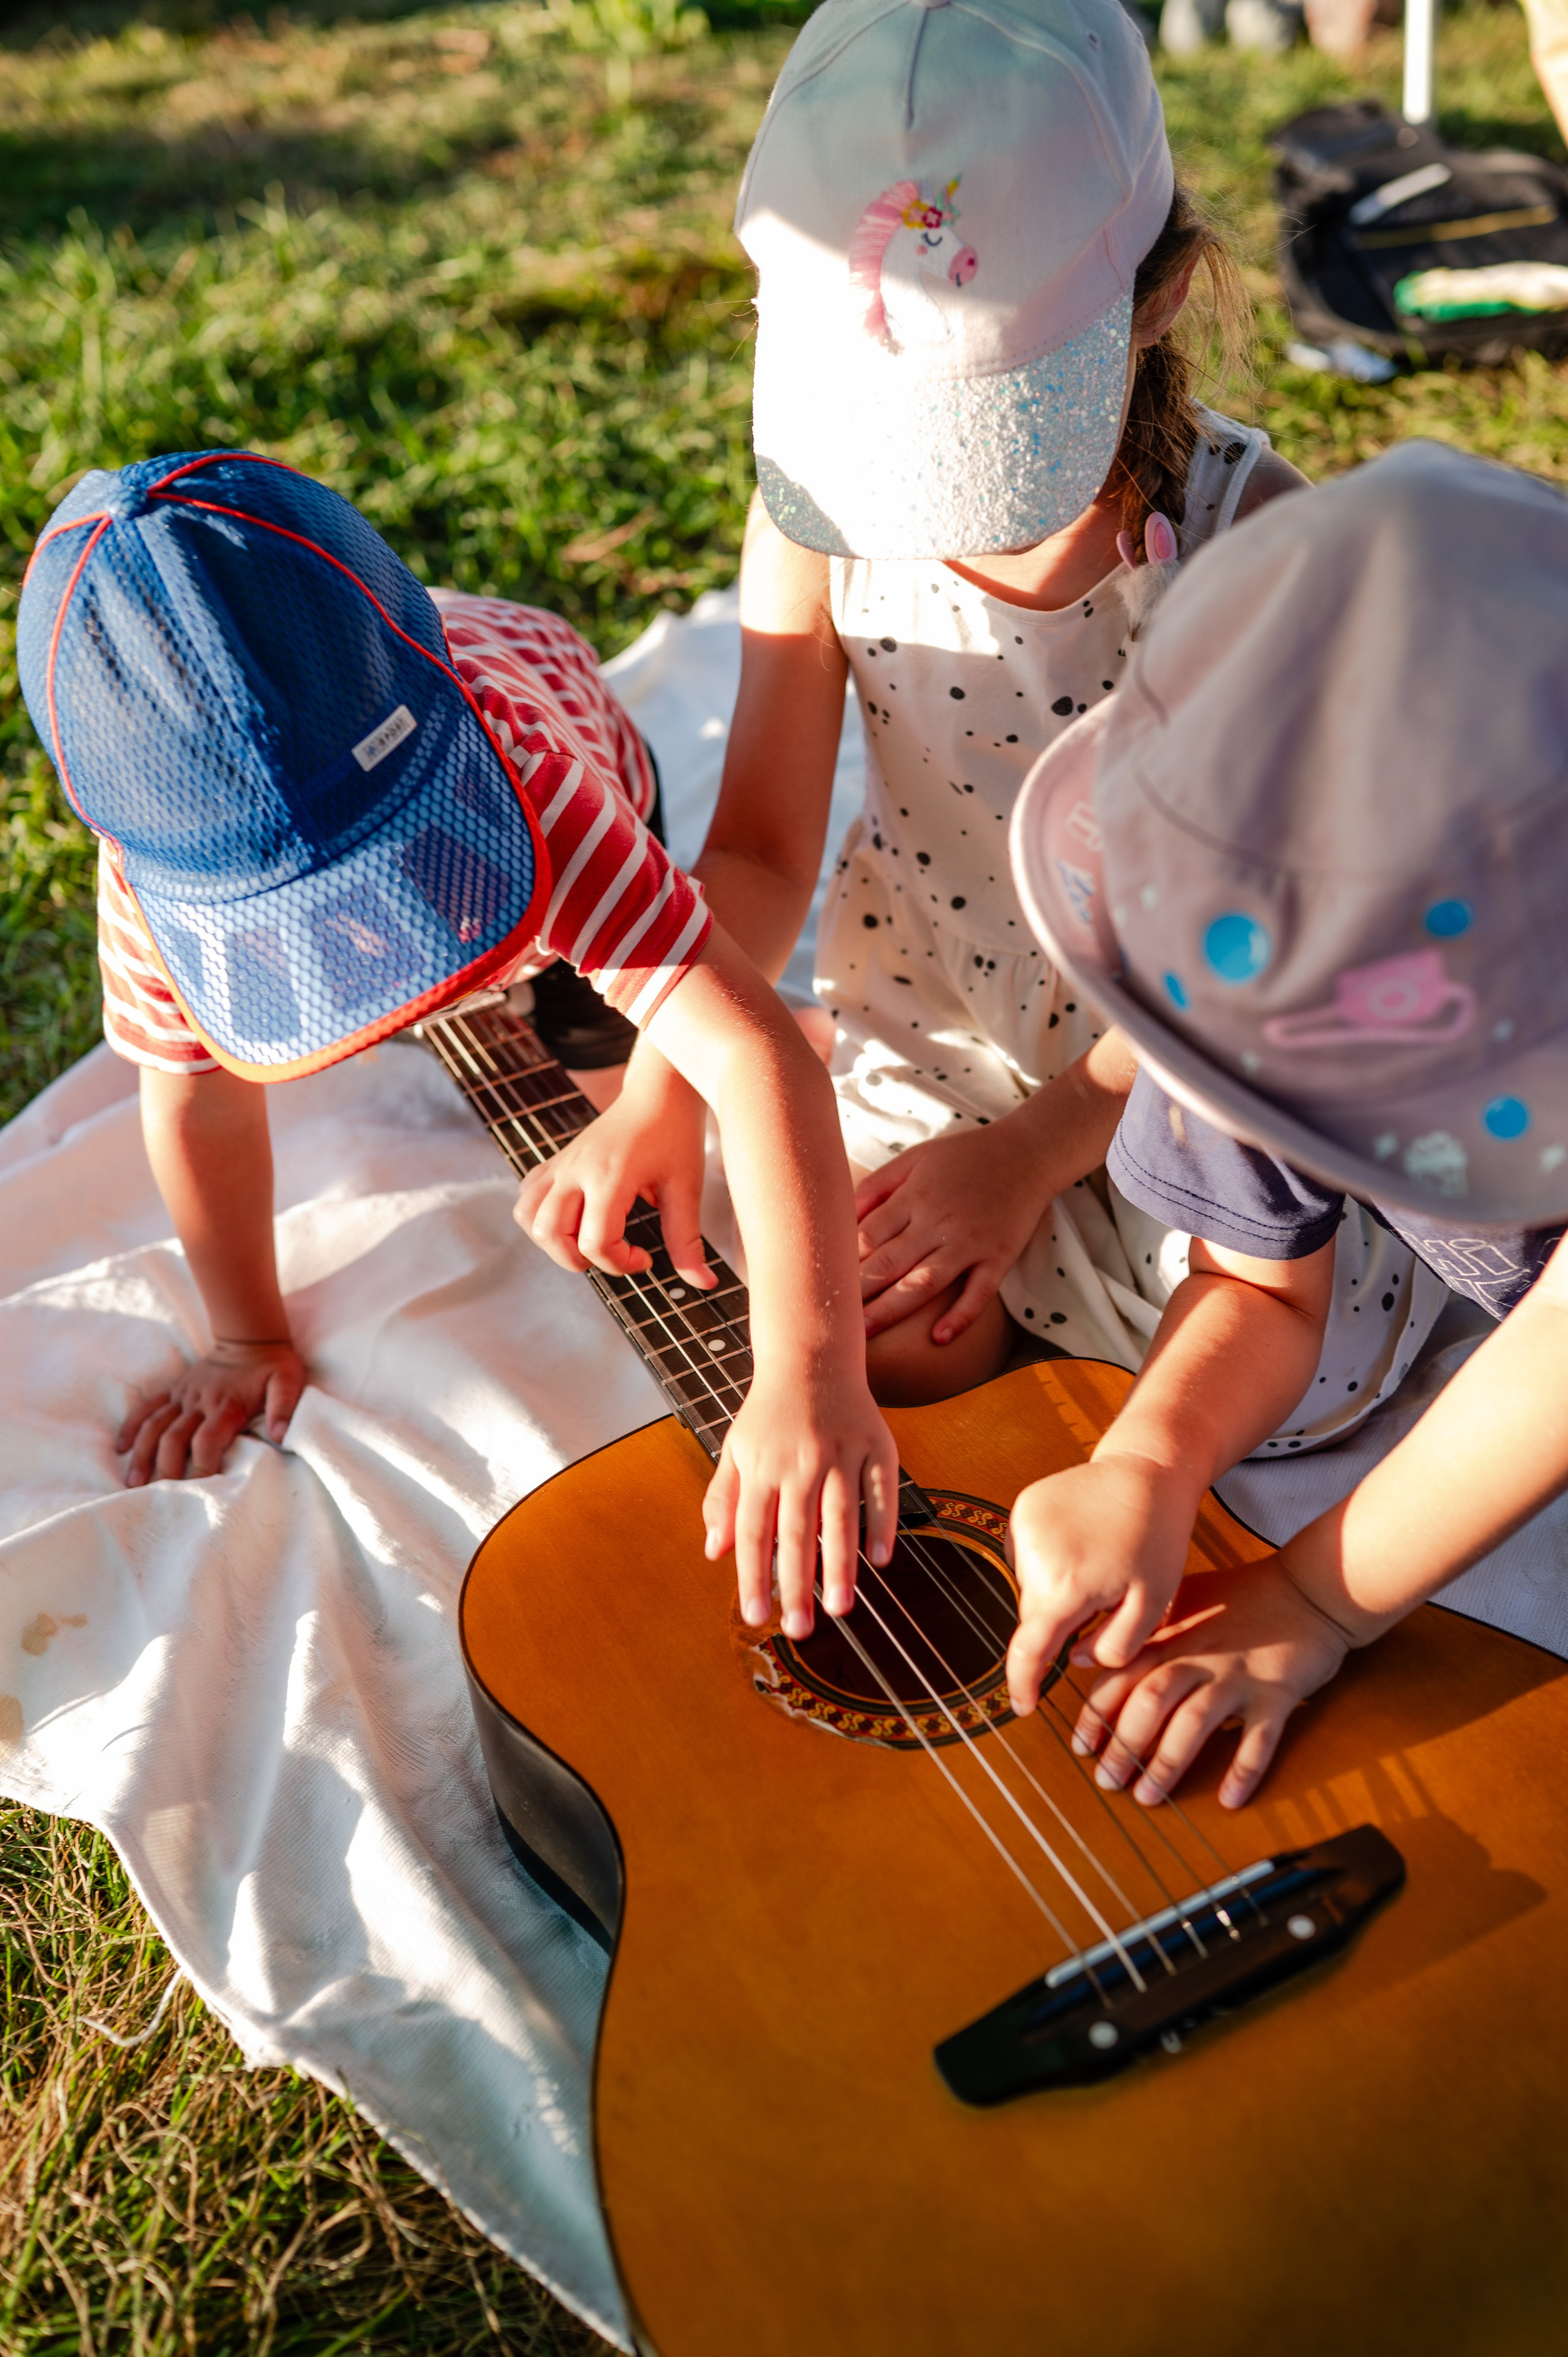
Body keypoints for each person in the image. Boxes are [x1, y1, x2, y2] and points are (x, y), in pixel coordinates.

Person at [622, 0, 1441, 1439]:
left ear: (1159, 297)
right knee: (875, 1331)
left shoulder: (1248, 549)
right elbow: (756, 850)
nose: (923, 513)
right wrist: (661, 1085)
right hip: (939, 1012)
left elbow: (1262, 958)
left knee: (1274, 1377)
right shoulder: (816, 510)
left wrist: (1028, 1156)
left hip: (1187, 1067)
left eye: (983, 444)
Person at [18, 451, 897, 1638]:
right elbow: (198, 1101)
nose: (362, 942)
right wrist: (244, 1335)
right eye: (289, 926)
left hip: (557, 760)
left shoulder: (538, 780)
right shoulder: (147, 890)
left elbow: (758, 1061)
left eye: (403, 864)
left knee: (629, 1075)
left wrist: (807, 1375)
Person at [1005, 437, 1568, 1810]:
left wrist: (1318, 1598)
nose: (1207, 1098)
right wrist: (1150, 1458)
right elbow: (1259, 1281)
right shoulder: (1237, 926)